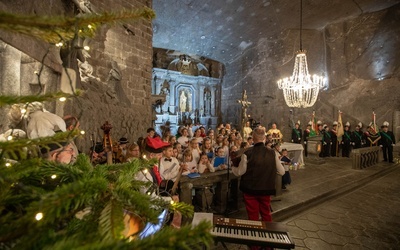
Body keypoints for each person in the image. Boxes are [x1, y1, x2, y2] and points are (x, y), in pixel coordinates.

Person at [232, 127, 284, 223]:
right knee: (266, 214)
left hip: (250, 190)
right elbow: (282, 171)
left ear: (253, 138)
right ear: (264, 138)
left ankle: (254, 235)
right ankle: (268, 235)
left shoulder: (247, 153)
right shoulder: (273, 153)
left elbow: (240, 172)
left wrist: (233, 168)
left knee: (253, 216)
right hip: (266, 189)